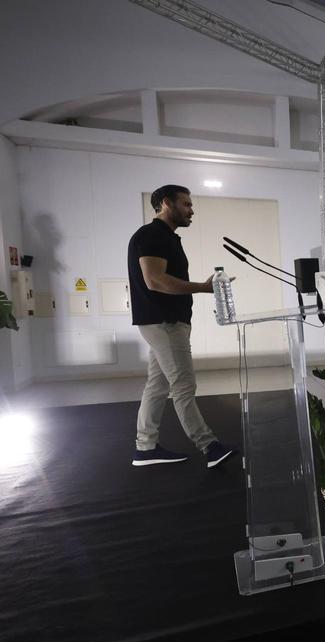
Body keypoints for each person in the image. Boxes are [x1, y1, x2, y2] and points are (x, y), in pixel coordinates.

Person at [127, 184, 234, 468]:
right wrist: (201, 287)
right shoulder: (152, 235)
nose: (191, 209)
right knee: (184, 385)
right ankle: (209, 446)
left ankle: (145, 447)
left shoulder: (168, 238)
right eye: (186, 204)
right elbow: (155, 280)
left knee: (157, 385)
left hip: (164, 322)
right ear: (166, 203)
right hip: (164, 322)